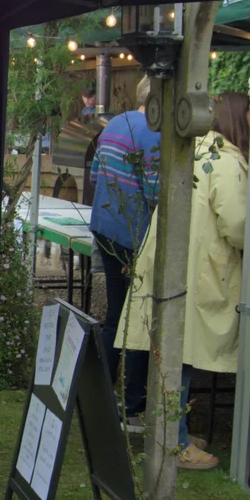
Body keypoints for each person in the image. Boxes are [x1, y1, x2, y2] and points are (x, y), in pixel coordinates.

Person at [118, 91, 250, 472]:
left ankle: (174, 429)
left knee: (174, 354)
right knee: (182, 356)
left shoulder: (198, 152)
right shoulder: (224, 162)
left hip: (179, 264)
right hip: (196, 273)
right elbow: (238, 223)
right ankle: (174, 441)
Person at [88, 75, 158, 429]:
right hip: (135, 236)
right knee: (140, 319)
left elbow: (94, 176)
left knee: (115, 315)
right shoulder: (156, 137)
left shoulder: (115, 123)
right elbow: (157, 195)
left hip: (103, 226)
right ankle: (133, 407)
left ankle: (98, 395)